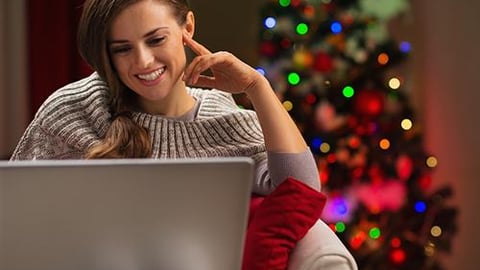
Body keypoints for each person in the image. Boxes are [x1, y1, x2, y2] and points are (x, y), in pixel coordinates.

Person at [11, 0, 327, 269]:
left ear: (187, 27)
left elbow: (299, 194)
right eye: (122, 49)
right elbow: (15, 216)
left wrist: (257, 88)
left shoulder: (224, 119)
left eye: (156, 39)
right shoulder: (73, 109)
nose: (143, 61)